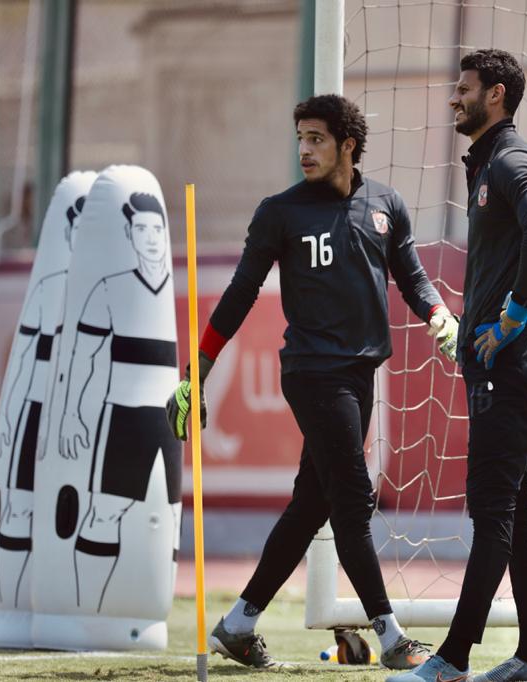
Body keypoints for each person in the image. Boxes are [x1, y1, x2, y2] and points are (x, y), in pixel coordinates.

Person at [165, 94, 459, 670]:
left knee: (312, 504)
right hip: (313, 373)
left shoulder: (386, 204)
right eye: (300, 137)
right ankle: (392, 638)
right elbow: (240, 294)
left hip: (360, 373)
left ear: (348, 145)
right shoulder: (280, 212)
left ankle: (238, 624)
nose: (304, 149)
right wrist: (196, 371)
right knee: (352, 499)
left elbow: (412, 275)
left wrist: (439, 313)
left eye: (316, 138)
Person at [388, 49, 527, 682]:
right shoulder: (487, 163)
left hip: (515, 357)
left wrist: (512, 316)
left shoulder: (512, 159)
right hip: (511, 358)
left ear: (495, 95)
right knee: (520, 504)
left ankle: (453, 660)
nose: (453, 97)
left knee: (494, 509)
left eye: (464, 89)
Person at [59, 191, 181, 612]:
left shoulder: (174, 291)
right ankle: (88, 611)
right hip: (123, 417)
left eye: (156, 229)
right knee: (105, 512)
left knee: (171, 517)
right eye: (141, 229)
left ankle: (151, 610)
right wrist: (72, 413)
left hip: (168, 419)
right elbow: (83, 356)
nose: (150, 237)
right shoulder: (110, 288)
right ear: (130, 234)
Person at [0, 193, 86, 607]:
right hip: (36, 408)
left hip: (74, 416)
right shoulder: (49, 287)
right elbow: (25, 360)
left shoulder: (102, 293)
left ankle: (66, 601)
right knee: (18, 506)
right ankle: (10, 601)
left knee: (70, 514)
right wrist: (10, 419)